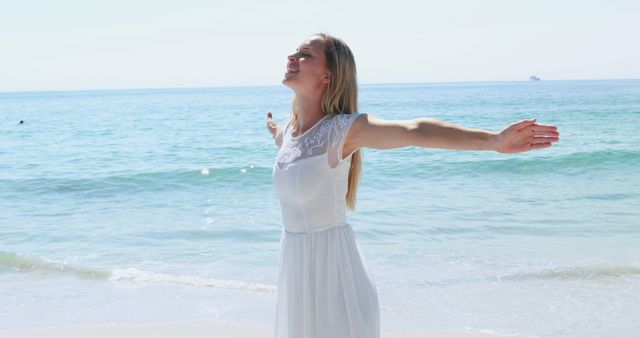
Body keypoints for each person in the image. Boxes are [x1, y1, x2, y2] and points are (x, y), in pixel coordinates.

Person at [266, 33, 559, 338]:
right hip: (297, 273)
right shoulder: (291, 134)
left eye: (304, 55)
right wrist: (274, 127)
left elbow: (415, 130)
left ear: (328, 76)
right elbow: (287, 144)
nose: (291, 58)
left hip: (335, 275)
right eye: (294, 52)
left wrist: (494, 141)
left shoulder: (343, 130)